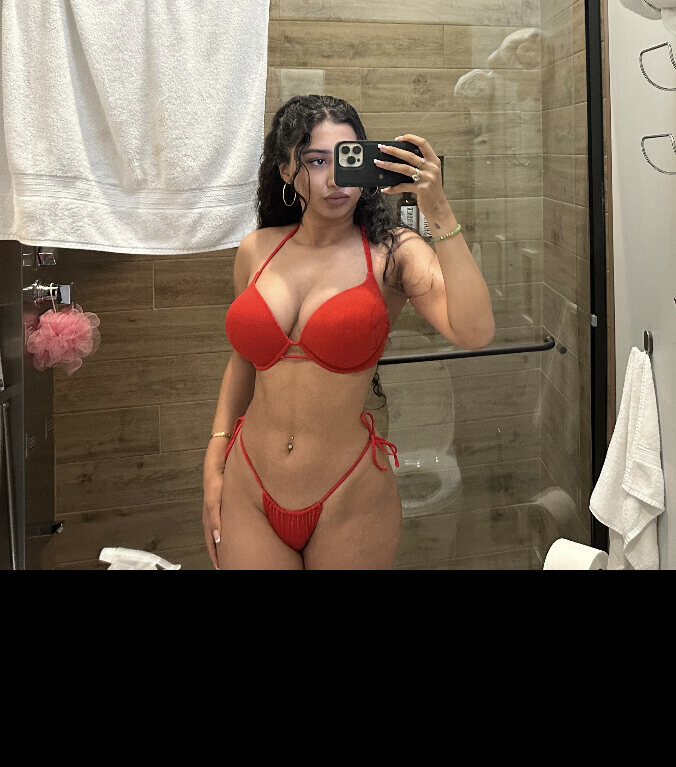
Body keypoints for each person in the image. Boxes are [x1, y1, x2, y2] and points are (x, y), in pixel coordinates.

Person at [202, 94, 494, 570]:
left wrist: (438, 209)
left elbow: (475, 330)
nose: (337, 179)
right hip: (247, 484)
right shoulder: (256, 249)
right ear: (285, 170)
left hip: (349, 495)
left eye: (348, 158)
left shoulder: (393, 251)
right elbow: (243, 361)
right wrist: (215, 455)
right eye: (317, 161)